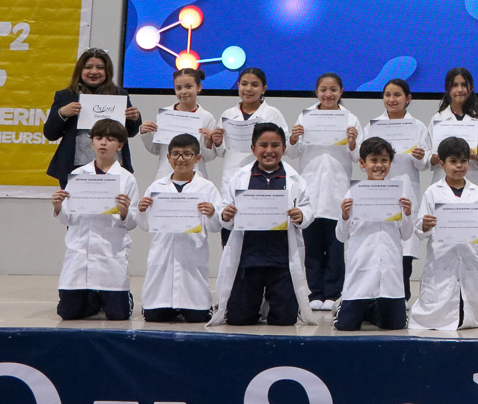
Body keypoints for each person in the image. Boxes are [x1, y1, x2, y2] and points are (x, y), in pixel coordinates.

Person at [209, 122, 314, 327]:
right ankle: (253, 306)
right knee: (238, 319)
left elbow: (308, 209)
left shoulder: (294, 179)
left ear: (284, 148)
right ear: (253, 148)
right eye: (263, 145)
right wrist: (226, 215)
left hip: (281, 259)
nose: (269, 151)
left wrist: (301, 214)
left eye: (275, 145)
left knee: (285, 320)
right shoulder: (239, 178)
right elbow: (223, 212)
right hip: (249, 258)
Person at [287, 72, 361, 311]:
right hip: (311, 188)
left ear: (341, 92)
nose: (328, 94)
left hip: (337, 190)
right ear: (317, 92)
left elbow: (358, 157)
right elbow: (293, 153)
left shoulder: (350, 119)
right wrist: (293, 138)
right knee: (312, 247)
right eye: (323, 90)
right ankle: (315, 292)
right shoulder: (305, 116)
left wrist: (352, 142)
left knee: (336, 246)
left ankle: (333, 293)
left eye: (333, 90)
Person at [51, 119, 139, 320]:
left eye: (110, 139)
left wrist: (124, 211)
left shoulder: (126, 178)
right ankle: (93, 299)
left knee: (118, 315)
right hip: (80, 251)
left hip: (111, 252)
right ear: (92, 143)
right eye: (98, 138)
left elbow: (133, 222)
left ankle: (116, 298)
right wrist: (58, 206)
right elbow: (68, 218)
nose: (103, 143)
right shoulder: (78, 175)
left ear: (120, 145)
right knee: (68, 314)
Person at [408, 136, 478, 331]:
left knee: (469, 309)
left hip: (469, 256)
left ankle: (469, 314)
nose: (459, 166)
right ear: (442, 164)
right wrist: (425, 225)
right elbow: (420, 228)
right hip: (442, 258)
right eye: (453, 161)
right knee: (438, 309)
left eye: (463, 161)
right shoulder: (433, 192)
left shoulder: (476, 192)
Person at [137, 133, 222, 322]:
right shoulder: (156, 187)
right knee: (154, 317)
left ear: (197, 158)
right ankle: (161, 305)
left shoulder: (206, 188)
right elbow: (145, 225)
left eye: (187, 154)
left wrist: (211, 213)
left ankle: (195, 305)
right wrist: (142, 210)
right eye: (175, 154)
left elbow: (216, 226)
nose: (180, 159)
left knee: (197, 317)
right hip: (163, 254)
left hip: (192, 255)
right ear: (168, 158)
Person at [335, 137, 414, 331]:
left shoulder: (399, 194)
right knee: (346, 326)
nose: (379, 165)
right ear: (362, 163)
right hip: (361, 265)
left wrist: (407, 213)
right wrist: (344, 215)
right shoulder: (353, 193)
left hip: (389, 268)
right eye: (373, 160)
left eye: (384, 160)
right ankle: (344, 305)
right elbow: (341, 236)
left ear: (390, 163)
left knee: (395, 325)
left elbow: (406, 234)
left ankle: (372, 310)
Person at [363, 78, 431, 302]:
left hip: (405, 190)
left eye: (397, 95)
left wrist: (420, 157)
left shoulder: (418, 127)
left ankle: (402, 296)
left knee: (403, 247)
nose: (391, 99)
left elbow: (424, 165)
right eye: (387, 95)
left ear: (408, 99)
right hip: (377, 192)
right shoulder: (373, 126)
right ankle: (375, 295)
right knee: (377, 245)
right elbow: (362, 158)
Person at [44, 48, 142, 187]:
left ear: (107, 71)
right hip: (73, 165)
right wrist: (62, 113)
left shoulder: (119, 94)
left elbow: (130, 132)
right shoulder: (65, 96)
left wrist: (135, 118)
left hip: (112, 164)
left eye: (100, 68)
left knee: (112, 201)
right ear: (80, 70)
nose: (94, 72)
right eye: (88, 67)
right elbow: (50, 134)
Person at [138, 68, 218, 181]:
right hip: (166, 174)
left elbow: (209, 157)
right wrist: (145, 133)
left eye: (188, 87)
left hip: (195, 177)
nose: (183, 92)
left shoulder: (206, 117)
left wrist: (208, 141)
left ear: (199, 87)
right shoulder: (166, 114)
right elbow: (156, 149)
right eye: (179, 88)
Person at [212, 67, 290, 176]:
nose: (248, 89)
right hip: (232, 173)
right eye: (244, 84)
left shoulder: (272, 114)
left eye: (254, 85)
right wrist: (218, 142)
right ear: (238, 86)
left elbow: (285, 147)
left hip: (263, 173)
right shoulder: (228, 115)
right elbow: (221, 152)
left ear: (263, 89)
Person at [428, 67, 478, 187]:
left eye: (464, 85)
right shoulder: (438, 118)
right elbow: (428, 153)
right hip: (442, 180)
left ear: (471, 88)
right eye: (454, 85)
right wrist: (435, 158)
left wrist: (475, 156)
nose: (460, 90)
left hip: (472, 180)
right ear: (447, 89)